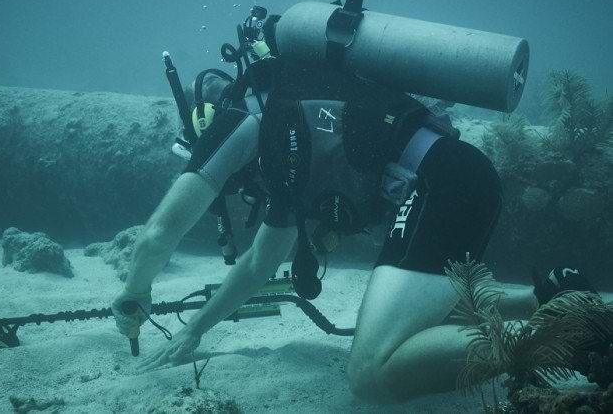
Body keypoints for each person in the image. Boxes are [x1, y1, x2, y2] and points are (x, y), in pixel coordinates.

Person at [108, 30, 568, 403]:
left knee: (371, 375)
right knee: (426, 321)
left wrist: (134, 291)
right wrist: (194, 331)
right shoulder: (287, 135)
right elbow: (257, 266)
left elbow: (159, 234)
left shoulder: (243, 120)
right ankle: (549, 298)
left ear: (204, 121)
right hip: (464, 176)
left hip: (442, 184)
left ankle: (564, 333)